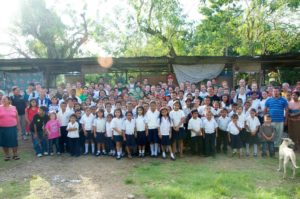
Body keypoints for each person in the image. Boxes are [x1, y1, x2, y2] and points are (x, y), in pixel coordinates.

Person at [0, 96, 21, 161]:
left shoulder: (14, 107)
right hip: (2, 128)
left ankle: (15, 154)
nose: (3, 100)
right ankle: (7, 155)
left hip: (12, 128)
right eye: (2, 99)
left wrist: (18, 126)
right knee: (4, 142)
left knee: (14, 141)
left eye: (5, 99)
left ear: (9, 100)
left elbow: (17, 117)